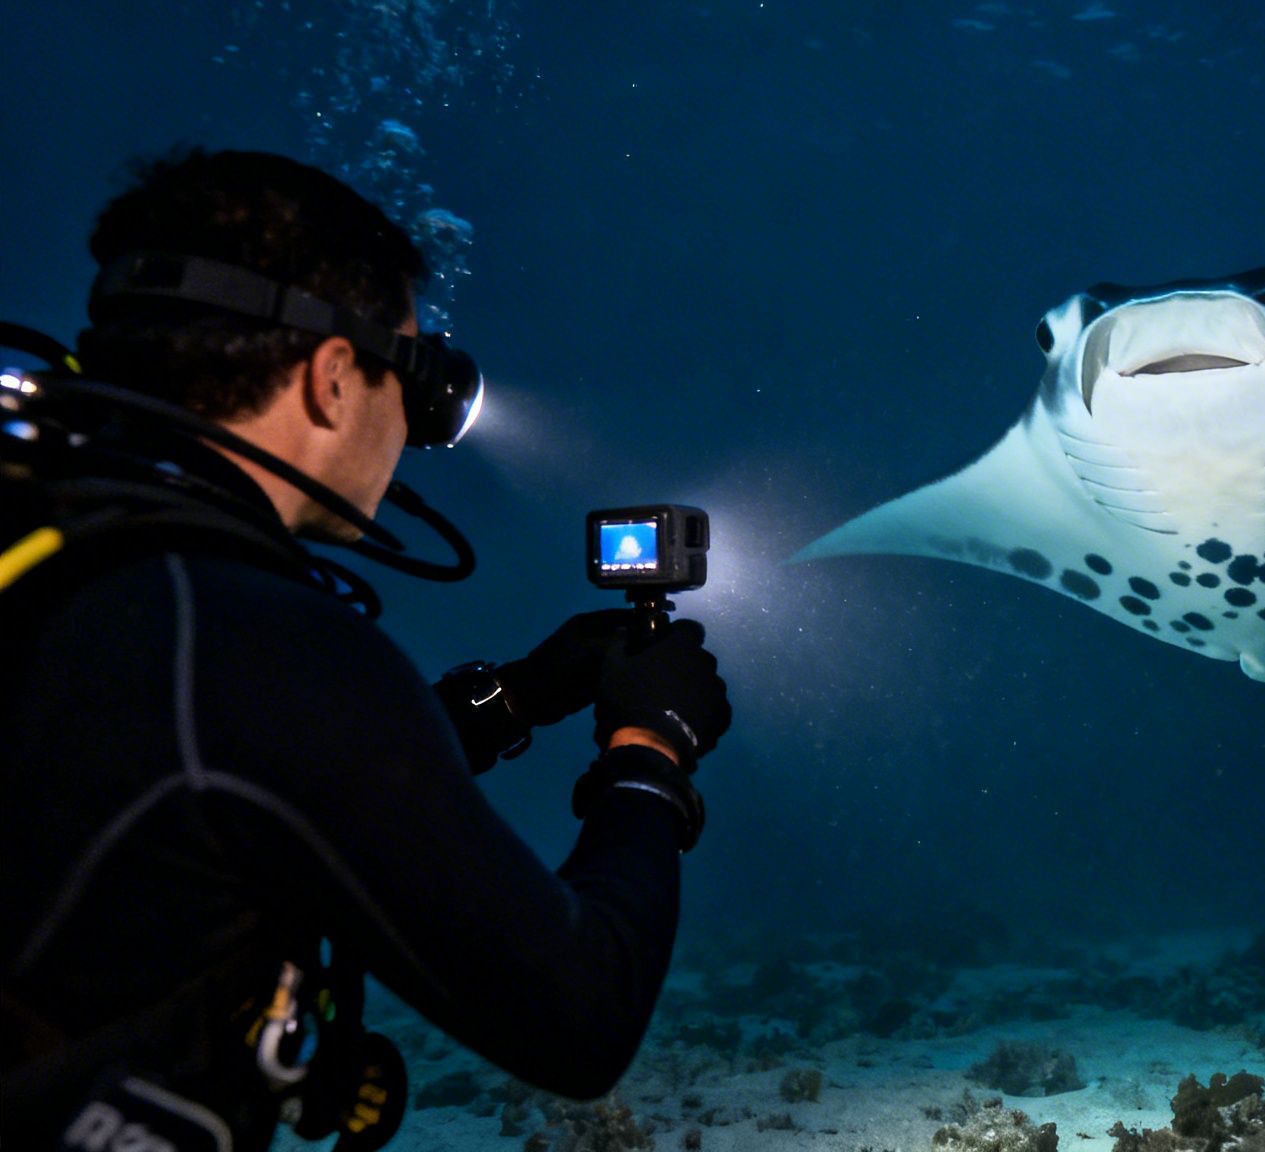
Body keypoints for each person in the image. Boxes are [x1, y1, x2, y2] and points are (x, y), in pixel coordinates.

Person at [0, 149, 732, 1151]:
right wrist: (648, 754)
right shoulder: (251, 636)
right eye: (416, 376)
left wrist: (514, 697)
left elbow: (201, 768)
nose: (417, 429)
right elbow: (581, 1017)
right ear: (333, 376)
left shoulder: (66, 556)